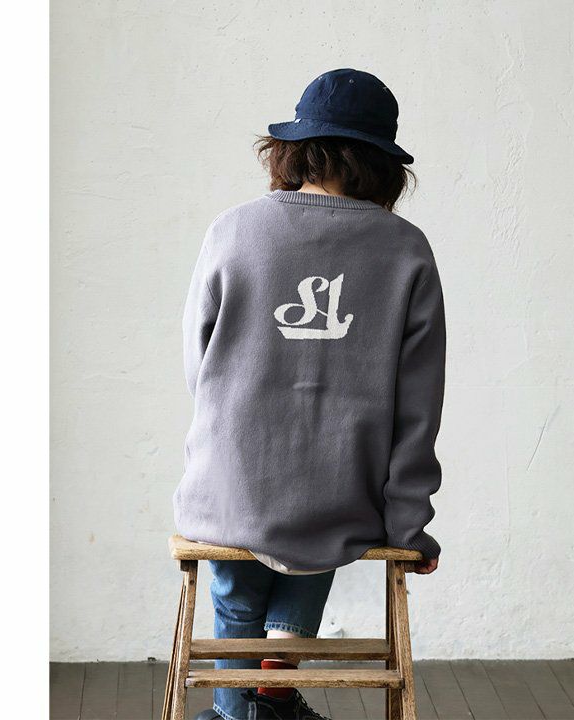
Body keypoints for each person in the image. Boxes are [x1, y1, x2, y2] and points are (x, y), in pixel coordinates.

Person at [175, 68, 446, 720]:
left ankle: (238, 709)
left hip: (232, 488)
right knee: (327, 506)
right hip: (339, 498)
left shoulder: (233, 230)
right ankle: (277, 675)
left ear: (295, 149)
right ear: (384, 165)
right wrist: (411, 527)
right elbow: (419, 406)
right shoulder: (406, 249)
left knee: (237, 587)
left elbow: (198, 365)